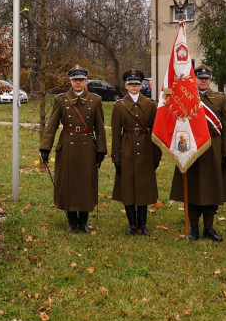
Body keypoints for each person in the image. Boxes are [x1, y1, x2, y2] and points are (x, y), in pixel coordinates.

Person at [169, 65, 226, 241]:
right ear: (194, 79)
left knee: (212, 190)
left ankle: (209, 228)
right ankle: (194, 228)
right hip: (192, 149)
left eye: (206, 78)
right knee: (192, 189)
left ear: (210, 79)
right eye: (200, 78)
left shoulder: (220, 99)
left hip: (214, 149)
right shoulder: (185, 98)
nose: (203, 80)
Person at [39, 65, 107, 233]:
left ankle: (83, 222)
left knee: (85, 183)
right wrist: (45, 148)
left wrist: (101, 150)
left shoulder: (95, 100)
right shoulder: (61, 100)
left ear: (85, 81)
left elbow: (100, 128)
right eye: (75, 80)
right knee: (68, 183)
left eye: (81, 80)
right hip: (67, 146)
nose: (78, 83)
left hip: (87, 147)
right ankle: (72, 221)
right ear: (70, 81)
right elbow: (52, 126)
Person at [110, 69, 160, 236]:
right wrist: (116, 157)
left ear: (141, 86)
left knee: (144, 187)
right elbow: (116, 133)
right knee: (128, 187)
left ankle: (142, 225)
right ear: (125, 86)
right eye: (131, 84)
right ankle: (132, 225)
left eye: (137, 84)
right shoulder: (119, 106)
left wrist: (156, 154)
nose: (134, 87)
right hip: (127, 149)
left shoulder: (151, 105)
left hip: (146, 149)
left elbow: (155, 131)